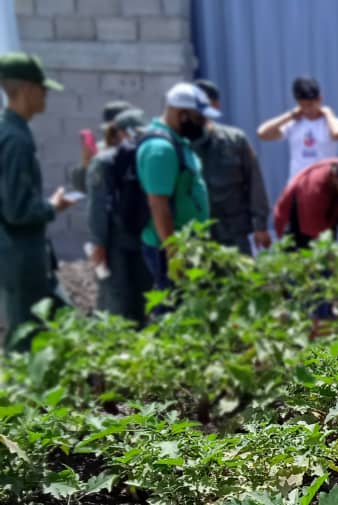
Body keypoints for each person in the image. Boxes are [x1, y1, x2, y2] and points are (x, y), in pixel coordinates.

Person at [0, 52, 75, 351]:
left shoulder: (12, 131)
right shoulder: (15, 139)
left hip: (23, 253)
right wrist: (53, 206)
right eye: (43, 89)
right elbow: (17, 210)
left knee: (59, 321)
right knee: (26, 337)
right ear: (28, 90)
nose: (46, 95)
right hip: (21, 255)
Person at [136, 82, 215, 291]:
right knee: (172, 307)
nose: (204, 124)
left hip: (184, 244)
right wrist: (173, 252)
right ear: (182, 114)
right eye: (199, 118)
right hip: (169, 248)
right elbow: (158, 204)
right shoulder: (160, 149)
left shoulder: (176, 141)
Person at [272, 156, 338, 328]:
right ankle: (304, 324)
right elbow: (318, 245)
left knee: (324, 280)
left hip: (323, 221)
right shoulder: (314, 190)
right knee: (305, 278)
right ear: (336, 179)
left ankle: (323, 316)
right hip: (297, 227)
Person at [85, 108, 154, 325]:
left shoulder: (104, 161)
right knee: (145, 300)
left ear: (119, 132)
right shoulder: (153, 155)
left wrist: (98, 244)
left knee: (115, 304)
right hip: (147, 239)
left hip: (116, 243)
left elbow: (98, 207)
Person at [191, 79, 271, 255]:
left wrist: (261, 226)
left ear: (216, 105)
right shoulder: (179, 144)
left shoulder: (235, 140)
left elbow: (255, 183)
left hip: (234, 232)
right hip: (197, 236)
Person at [257, 76, 338, 179]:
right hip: (298, 183)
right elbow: (262, 133)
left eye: (310, 105)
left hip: (324, 183)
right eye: (302, 106)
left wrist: (329, 114)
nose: (307, 110)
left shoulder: (333, 122)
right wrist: (289, 115)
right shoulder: (293, 123)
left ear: (320, 99)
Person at [70, 100, 132, 193]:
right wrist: (85, 166)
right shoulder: (99, 150)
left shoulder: (139, 148)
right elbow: (81, 188)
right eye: (112, 131)